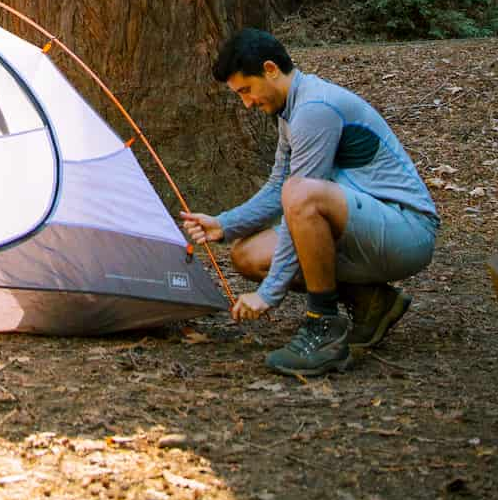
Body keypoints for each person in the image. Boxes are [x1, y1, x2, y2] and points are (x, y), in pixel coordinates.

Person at [181, 28, 438, 379]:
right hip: (366, 225)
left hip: (407, 230)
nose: (247, 102)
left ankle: (323, 328)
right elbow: (277, 188)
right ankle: (372, 304)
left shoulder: (314, 109)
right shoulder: (291, 111)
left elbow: (298, 198)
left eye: (247, 90)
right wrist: (225, 224)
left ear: (270, 69)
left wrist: (268, 294)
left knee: (301, 194)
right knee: (248, 255)